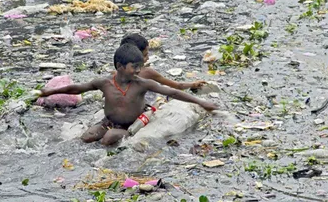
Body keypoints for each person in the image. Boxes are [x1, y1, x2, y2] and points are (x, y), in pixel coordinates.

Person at [38, 44, 218, 146]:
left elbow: (171, 91)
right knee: (86, 137)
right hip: (107, 122)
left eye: (140, 66)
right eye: (134, 67)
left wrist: (201, 102)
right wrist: (51, 92)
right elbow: (77, 88)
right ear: (120, 66)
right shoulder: (105, 83)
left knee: (108, 139)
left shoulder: (142, 84)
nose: (139, 70)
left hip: (131, 125)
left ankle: (119, 140)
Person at [120, 33, 206, 90]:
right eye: (145, 55)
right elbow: (177, 85)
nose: (148, 58)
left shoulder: (116, 74)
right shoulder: (147, 72)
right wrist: (193, 84)